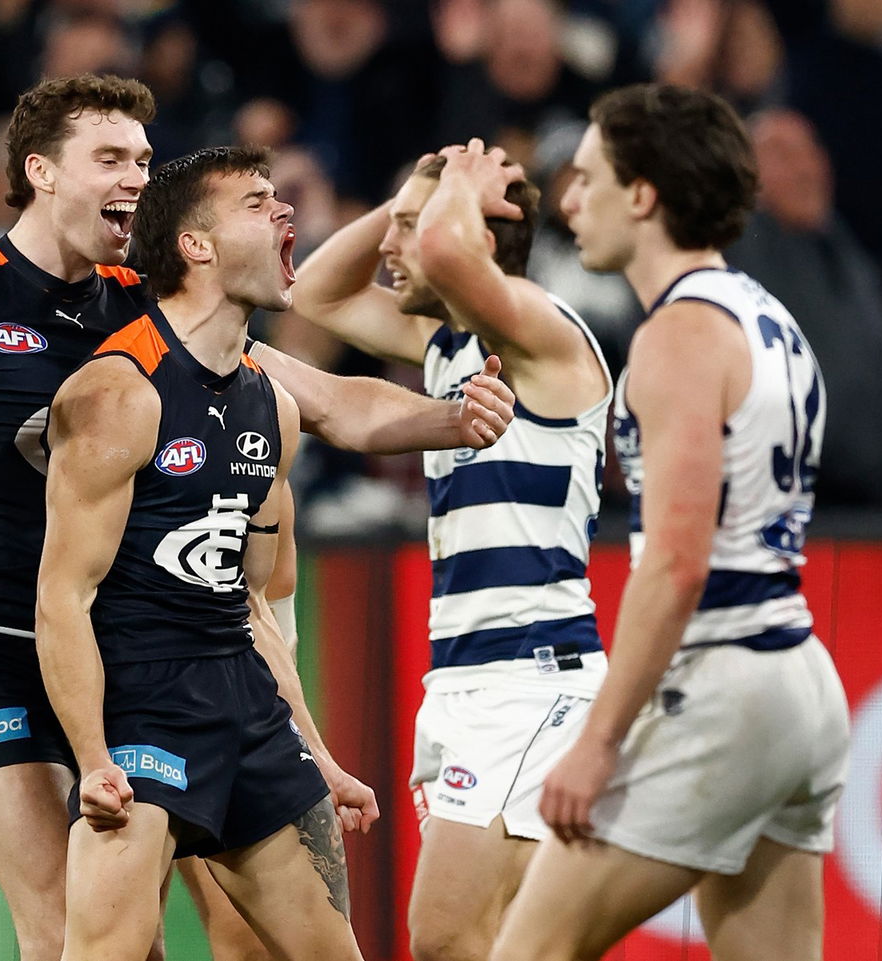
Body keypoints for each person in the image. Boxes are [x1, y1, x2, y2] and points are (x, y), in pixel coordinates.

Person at [0, 74, 514, 961]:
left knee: (235, 935)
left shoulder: (143, 303)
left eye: (142, 157)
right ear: (42, 171)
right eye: (109, 158)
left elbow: (324, 402)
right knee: (70, 926)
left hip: (131, 651)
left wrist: (453, 416)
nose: (135, 175)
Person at [491, 83, 850, 961]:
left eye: (588, 178)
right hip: (800, 683)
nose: (570, 201)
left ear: (643, 193)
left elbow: (678, 564)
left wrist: (599, 740)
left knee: (526, 952)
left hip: (725, 682)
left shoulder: (680, 334)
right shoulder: (767, 315)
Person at [273, 139, 613, 961]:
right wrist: (407, 200)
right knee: (508, 944)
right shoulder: (446, 346)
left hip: (532, 680)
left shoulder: (544, 331)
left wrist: (459, 186)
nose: (394, 246)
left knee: (447, 936)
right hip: (466, 681)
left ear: (475, 233)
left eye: (410, 228)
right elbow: (314, 292)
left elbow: (443, 252)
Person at [35, 144, 369, 961]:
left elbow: (252, 601)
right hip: (143, 702)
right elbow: (62, 597)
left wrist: (318, 752)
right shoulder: (116, 391)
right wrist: (92, 756)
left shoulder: (271, 407)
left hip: (245, 704)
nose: (286, 211)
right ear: (196, 244)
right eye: (258, 203)